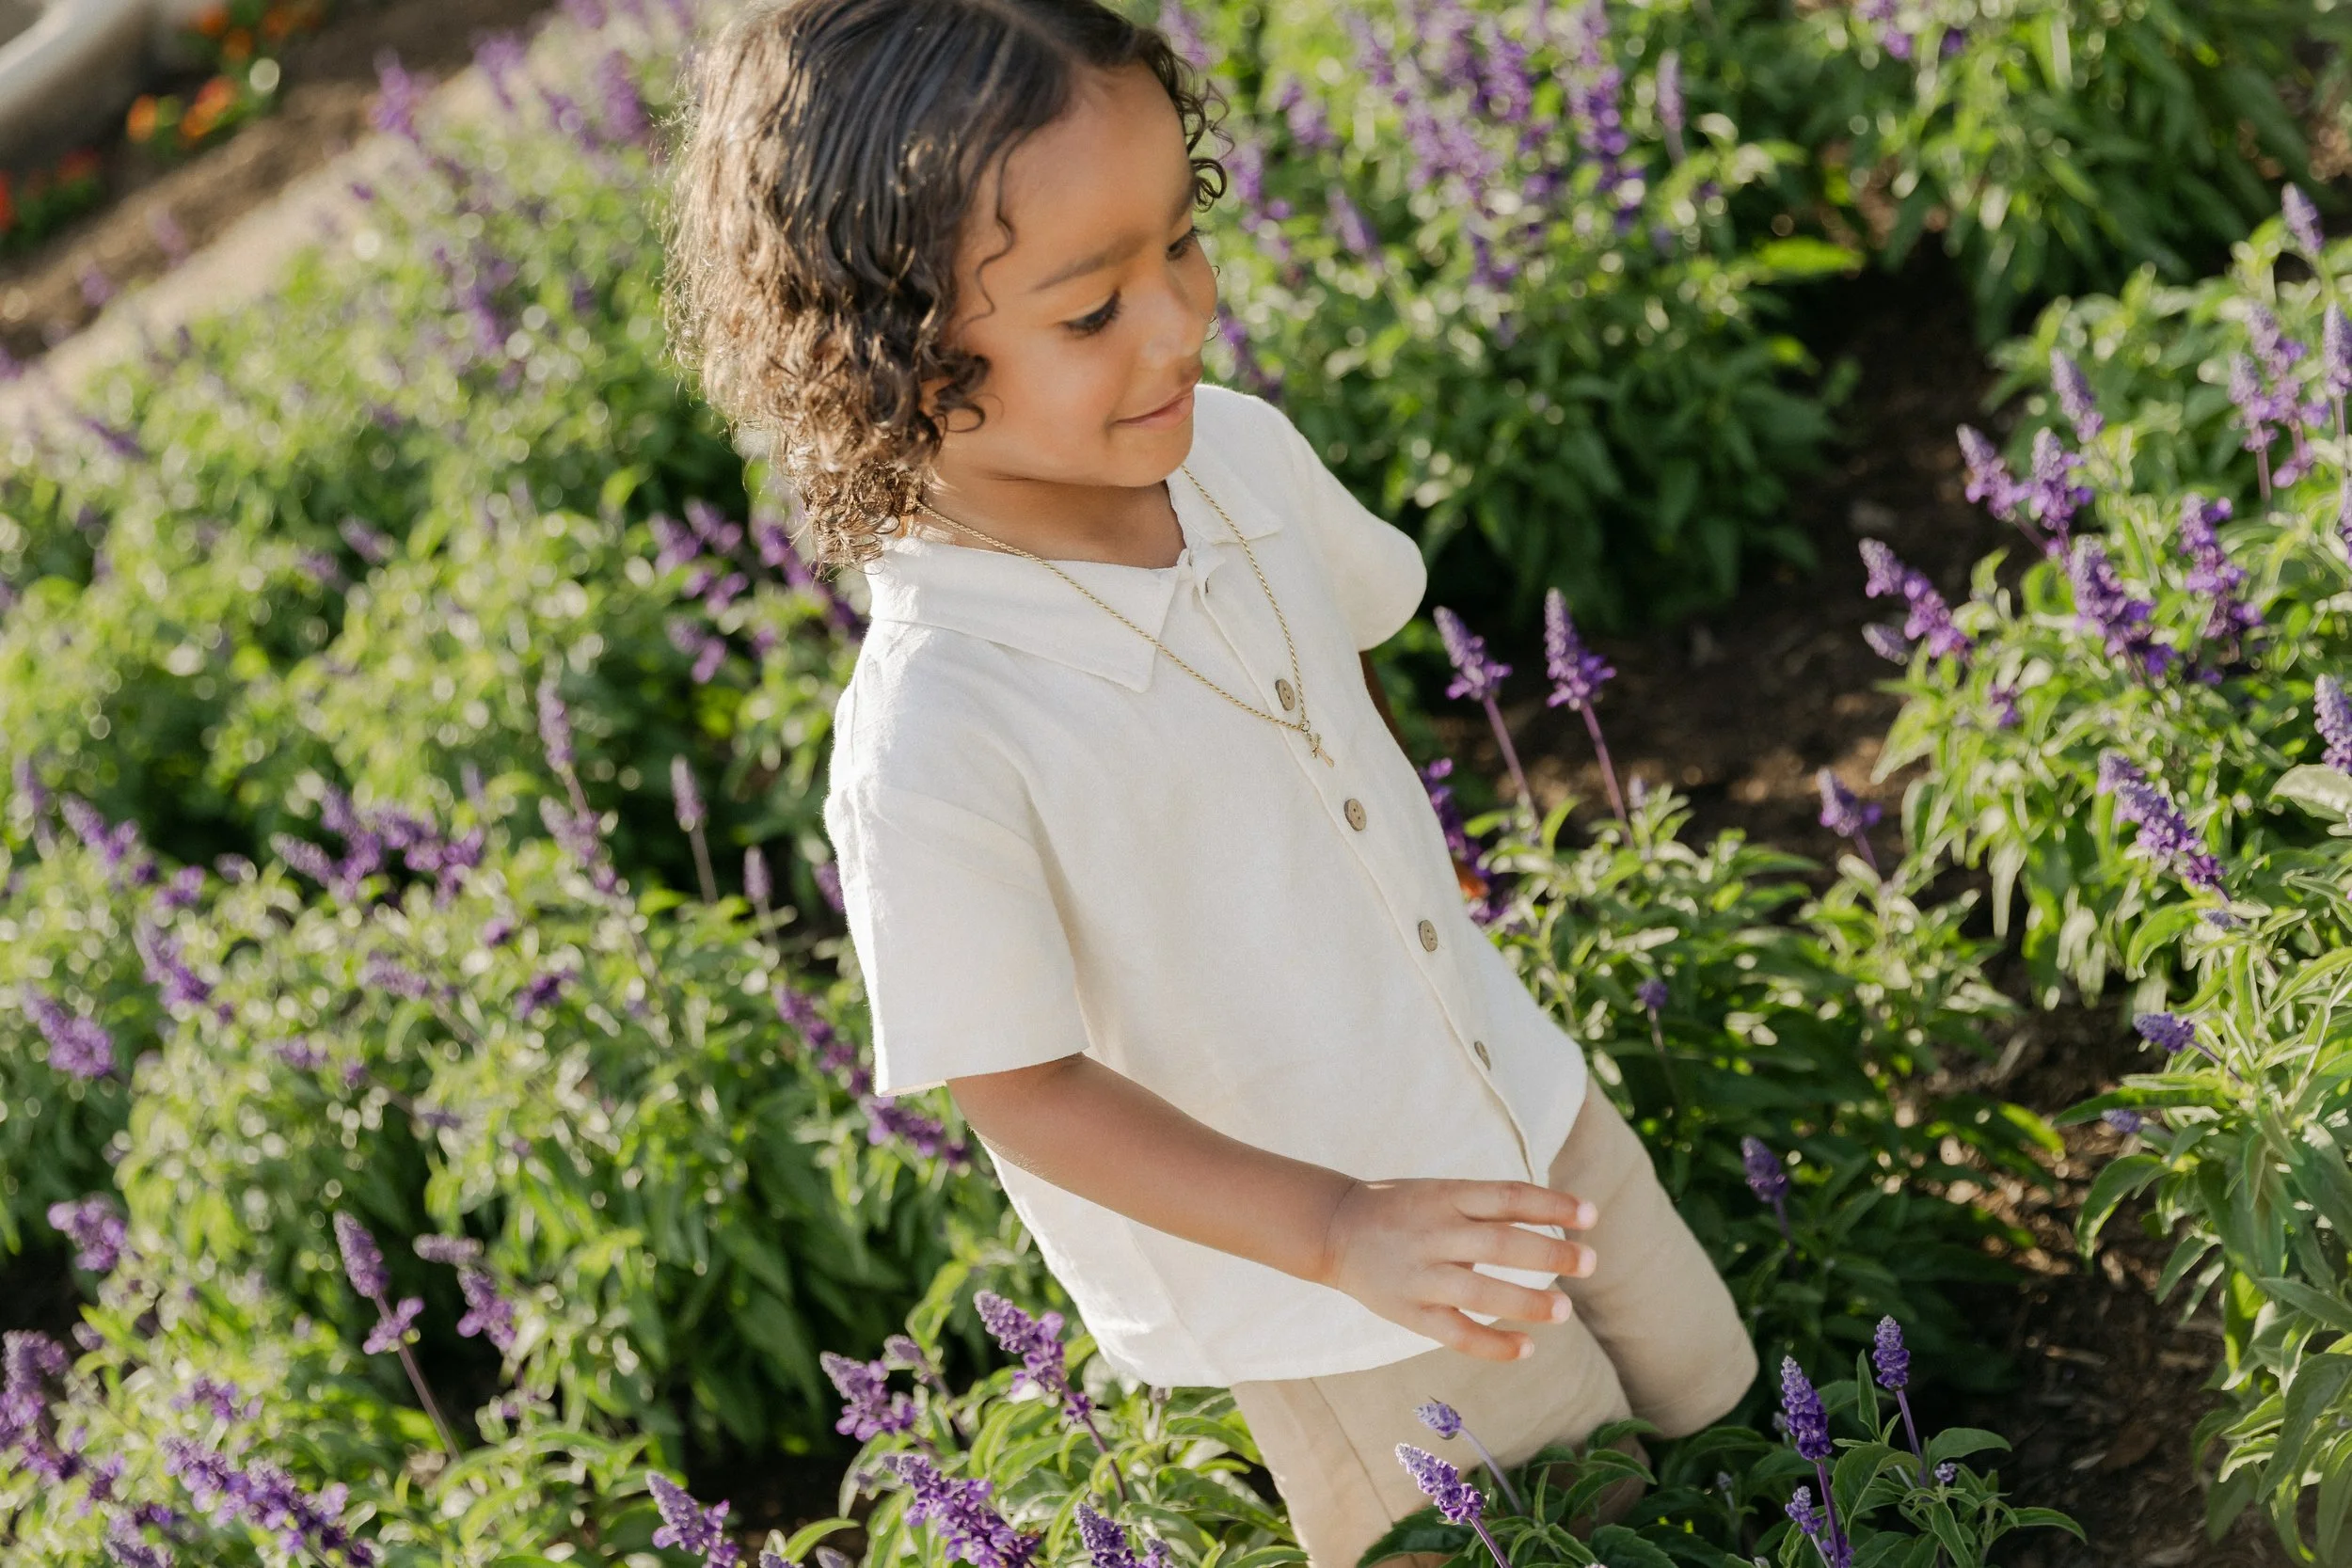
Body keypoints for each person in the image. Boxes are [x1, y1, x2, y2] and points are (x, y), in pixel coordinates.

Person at [664, 3, 1756, 1562]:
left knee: (1708, 1392)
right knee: (1549, 1526)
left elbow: (1344, 655)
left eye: (1181, 243)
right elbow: (1019, 1088)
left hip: (1514, 1083)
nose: (1178, 322)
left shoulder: (1230, 454)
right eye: (1090, 311)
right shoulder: (939, 730)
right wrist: (1337, 1226)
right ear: (886, 353)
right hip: (1337, 1285)